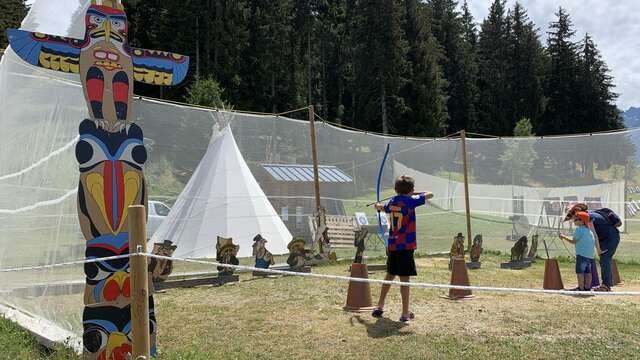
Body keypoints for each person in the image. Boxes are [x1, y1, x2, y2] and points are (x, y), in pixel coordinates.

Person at [371, 175, 433, 322]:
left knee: (390, 274)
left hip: (393, 245)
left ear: (396, 189)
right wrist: (415, 193)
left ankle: (379, 306)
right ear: (411, 189)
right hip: (405, 246)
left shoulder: (393, 201)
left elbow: (381, 207)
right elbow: (430, 194)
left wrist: (377, 206)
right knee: (404, 279)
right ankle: (405, 313)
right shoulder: (410, 201)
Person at [559, 211, 596, 291]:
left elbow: (573, 241)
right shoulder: (589, 231)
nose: (574, 221)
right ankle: (587, 288)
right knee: (588, 272)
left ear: (581, 221)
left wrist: (563, 236)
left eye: (576, 219)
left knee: (580, 272)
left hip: (581, 255)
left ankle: (581, 288)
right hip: (590, 256)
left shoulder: (579, 230)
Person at [588, 209, 621, 291]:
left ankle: (606, 285)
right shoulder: (594, 212)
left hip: (609, 239)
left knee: (605, 259)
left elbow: (594, 235)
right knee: (605, 260)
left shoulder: (588, 218)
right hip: (611, 236)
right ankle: (608, 283)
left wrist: (598, 250)